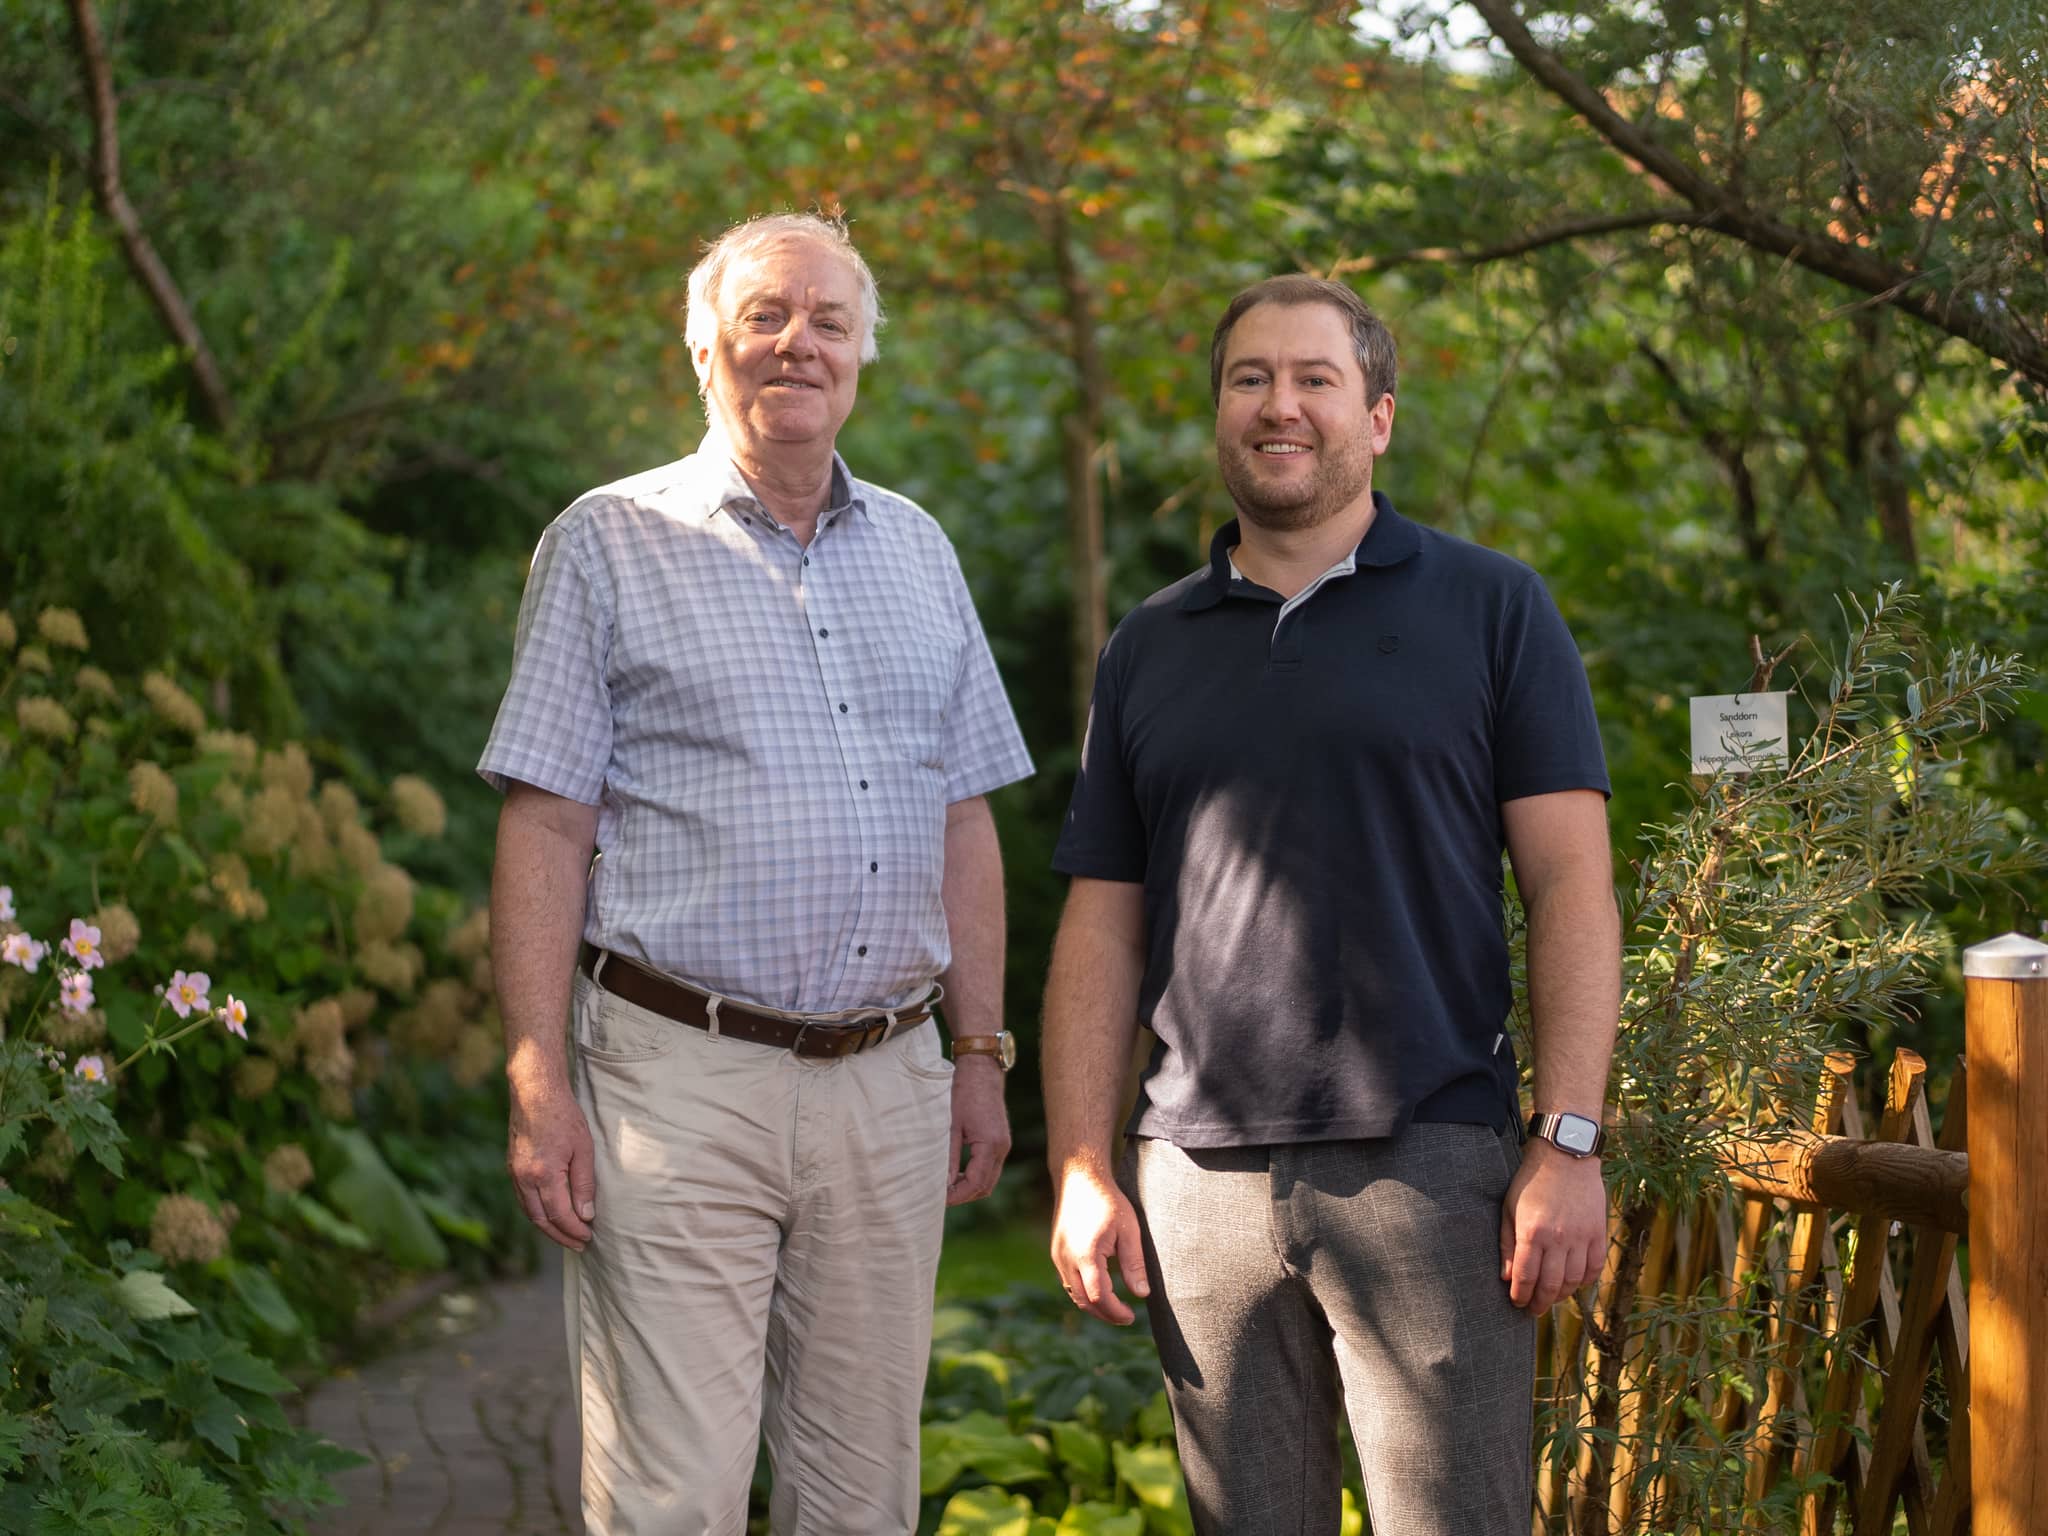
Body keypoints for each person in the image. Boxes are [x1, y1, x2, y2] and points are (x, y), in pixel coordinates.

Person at [478, 211, 1033, 1536]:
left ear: (862, 356)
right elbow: (546, 826)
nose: (799, 343)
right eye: (766, 316)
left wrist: (981, 1050)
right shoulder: (608, 542)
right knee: (675, 1498)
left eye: (829, 321)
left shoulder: (921, 550)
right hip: (678, 1079)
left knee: (863, 1499)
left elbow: (965, 823)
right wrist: (536, 1075)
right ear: (703, 348)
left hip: (891, 1085)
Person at [1042, 274, 1620, 1535]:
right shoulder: (1147, 645)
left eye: (1313, 379)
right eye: (1248, 379)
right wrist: (1085, 1166)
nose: (1278, 406)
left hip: (1428, 1169)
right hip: (1194, 1185)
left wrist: (1567, 1139)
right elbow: (1101, 921)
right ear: (1218, 416)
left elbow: (1571, 882)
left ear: (1378, 417)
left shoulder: (1490, 607)